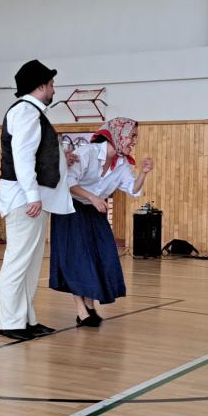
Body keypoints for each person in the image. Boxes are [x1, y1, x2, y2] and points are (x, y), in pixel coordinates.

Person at [49, 117, 153, 326]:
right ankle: (82, 311)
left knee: (102, 254)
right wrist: (93, 197)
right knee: (77, 259)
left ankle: (90, 305)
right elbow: (68, 181)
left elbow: (132, 188)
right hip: (70, 208)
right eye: (132, 136)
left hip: (93, 209)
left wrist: (143, 173)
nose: (134, 141)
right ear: (118, 135)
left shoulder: (122, 163)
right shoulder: (87, 152)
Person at [0, 60, 72, 342]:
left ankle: (26, 319)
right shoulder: (26, 112)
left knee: (30, 265)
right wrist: (32, 196)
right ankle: (11, 322)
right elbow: (22, 156)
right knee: (18, 262)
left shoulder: (32, 112)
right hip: (24, 199)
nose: (54, 89)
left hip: (31, 198)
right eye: (51, 84)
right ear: (40, 86)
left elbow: (34, 153)